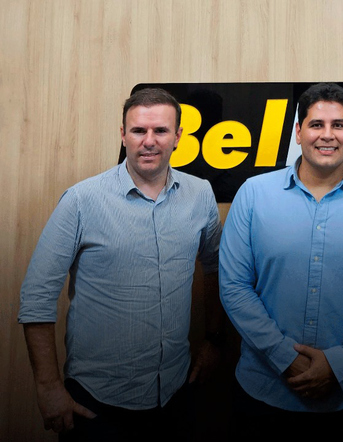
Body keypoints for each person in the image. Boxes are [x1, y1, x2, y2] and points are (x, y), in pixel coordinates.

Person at [18, 88, 224, 441]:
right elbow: (36, 296)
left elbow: (216, 267)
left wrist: (214, 340)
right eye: (138, 130)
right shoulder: (81, 200)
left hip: (175, 395)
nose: (149, 141)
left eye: (160, 131)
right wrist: (48, 387)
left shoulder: (200, 194)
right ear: (123, 135)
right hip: (96, 403)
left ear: (178, 137)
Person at [219, 82, 343, 440]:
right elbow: (234, 288)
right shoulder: (254, 195)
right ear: (298, 132)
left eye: (338, 125)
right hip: (263, 394)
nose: (327, 135)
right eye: (316, 124)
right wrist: (286, 359)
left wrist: (341, 365)